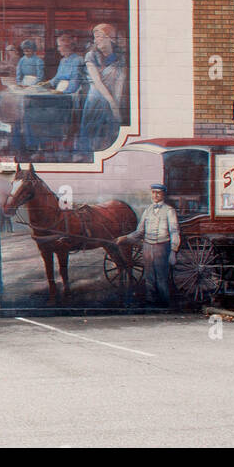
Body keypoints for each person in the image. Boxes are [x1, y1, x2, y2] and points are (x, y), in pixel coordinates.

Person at [115, 184, 181, 308]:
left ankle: (164, 303)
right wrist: (125, 238)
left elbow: (174, 231)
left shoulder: (169, 211)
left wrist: (173, 251)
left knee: (162, 277)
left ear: (163, 195)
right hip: (147, 247)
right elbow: (140, 232)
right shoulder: (148, 210)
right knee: (149, 276)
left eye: (158, 193)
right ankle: (151, 302)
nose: (155, 195)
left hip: (162, 247)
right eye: (153, 192)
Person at [75, 23, 127, 155]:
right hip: (96, 100)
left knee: (110, 136)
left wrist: (116, 105)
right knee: (91, 134)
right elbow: (97, 82)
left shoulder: (119, 58)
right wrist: (112, 103)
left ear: (109, 38)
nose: (95, 40)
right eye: (94, 37)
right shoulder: (91, 55)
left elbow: (119, 84)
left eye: (98, 37)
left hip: (112, 100)